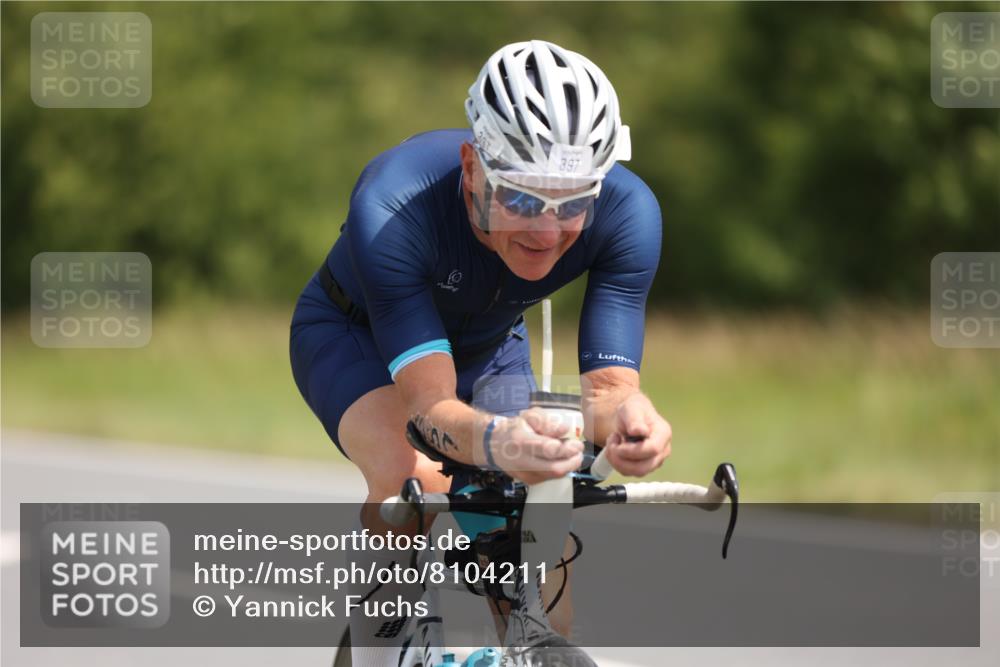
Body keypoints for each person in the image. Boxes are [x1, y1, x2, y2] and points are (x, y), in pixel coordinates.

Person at [290, 39, 671, 665]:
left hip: (492, 345)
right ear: (473, 167)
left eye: (573, 202)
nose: (547, 231)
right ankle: (381, 652)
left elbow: (608, 392)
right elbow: (429, 409)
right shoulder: (392, 202)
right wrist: (501, 444)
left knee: (532, 545)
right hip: (357, 338)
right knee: (412, 482)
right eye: (522, 197)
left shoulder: (629, 213)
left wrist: (632, 421)